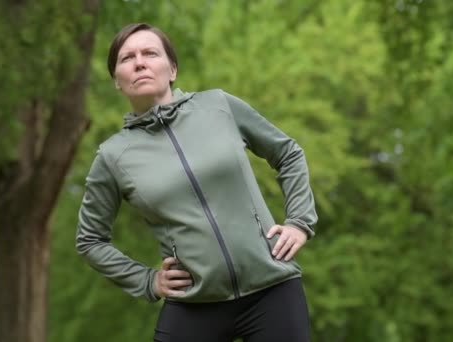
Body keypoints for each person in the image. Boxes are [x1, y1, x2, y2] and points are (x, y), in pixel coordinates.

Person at [76, 22, 318, 342]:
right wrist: (148, 281)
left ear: (172, 69)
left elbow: (288, 153)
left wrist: (300, 221)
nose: (139, 62)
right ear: (117, 81)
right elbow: (90, 240)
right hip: (194, 305)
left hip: (271, 289)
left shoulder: (219, 106)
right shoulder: (113, 155)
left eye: (150, 53)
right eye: (127, 58)